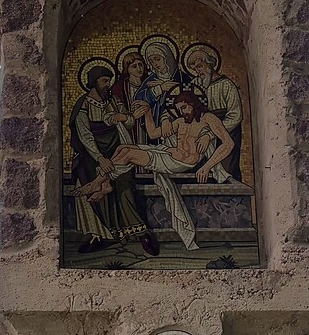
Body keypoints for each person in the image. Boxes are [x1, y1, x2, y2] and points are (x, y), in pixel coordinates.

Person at [85, 88, 231, 252]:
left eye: (184, 108)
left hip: (178, 163)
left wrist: (207, 166)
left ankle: (99, 183)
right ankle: (104, 185)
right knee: (122, 148)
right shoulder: (181, 122)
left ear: (193, 104)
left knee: (128, 154)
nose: (182, 113)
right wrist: (147, 112)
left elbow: (228, 143)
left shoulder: (208, 118)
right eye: (179, 110)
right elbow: (154, 134)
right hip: (167, 154)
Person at [67, 59, 158, 257]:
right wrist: (100, 158)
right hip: (92, 155)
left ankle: (140, 233)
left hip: (117, 150)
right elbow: (85, 135)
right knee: (93, 188)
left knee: (125, 190)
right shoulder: (83, 105)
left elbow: (130, 121)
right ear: (93, 82)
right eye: (104, 81)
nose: (107, 84)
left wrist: (123, 117)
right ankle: (98, 235)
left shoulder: (114, 101)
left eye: (109, 80)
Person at [182, 41, 243, 182]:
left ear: (209, 64)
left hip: (227, 132)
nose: (198, 72)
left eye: (200, 66)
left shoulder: (226, 85)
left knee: (227, 172)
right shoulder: (196, 84)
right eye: (195, 69)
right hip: (202, 131)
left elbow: (235, 115)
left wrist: (211, 134)